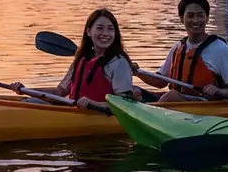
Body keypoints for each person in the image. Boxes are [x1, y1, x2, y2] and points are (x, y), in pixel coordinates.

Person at [7, 8, 139, 111]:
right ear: (88, 32)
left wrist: (93, 103)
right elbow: (59, 92)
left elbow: (124, 104)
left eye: (110, 29)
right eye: (99, 28)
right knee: (29, 102)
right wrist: (27, 90)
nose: (105, 33)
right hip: (75, 111)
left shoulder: (118, 62)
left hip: (100, 114)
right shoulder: (82, 59)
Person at [133, 0, 228, 103]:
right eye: (190, 16)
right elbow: (160, 81)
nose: (195, 20)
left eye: (200, 15)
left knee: (171, 96)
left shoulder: (220, 49)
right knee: (134, 90)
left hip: (206, 104)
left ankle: (148, 115)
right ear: (181, 18)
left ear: (207, 18)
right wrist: (137, 72)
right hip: (177, 103)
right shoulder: (178, 47)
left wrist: (220, 91)